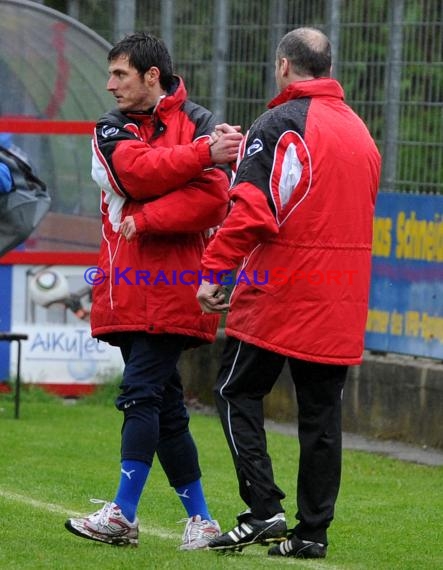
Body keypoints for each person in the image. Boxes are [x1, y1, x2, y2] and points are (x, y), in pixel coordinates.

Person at [196, 27, 381, 559]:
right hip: (341, 297)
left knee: (234, 391)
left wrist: (215, 269)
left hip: (283, 294)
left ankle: (263, 509)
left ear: (283, 65)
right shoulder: (360, 132)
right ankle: (311, 534)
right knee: (322, 416)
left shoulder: (281, 122)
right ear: (327, 67)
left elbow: (254, 207)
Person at [64, 32, 242, 550]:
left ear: (151, 76)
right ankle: (203, 521)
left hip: (175, 290)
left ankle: (122, 513)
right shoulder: (109, 128)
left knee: (139, 394)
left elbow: (213, 199)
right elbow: (136, 173)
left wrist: (146, 221)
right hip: (124, 291)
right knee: (165, 407)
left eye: (119, 74)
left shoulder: (203, 123)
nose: (109, 85)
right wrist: (201, 155)